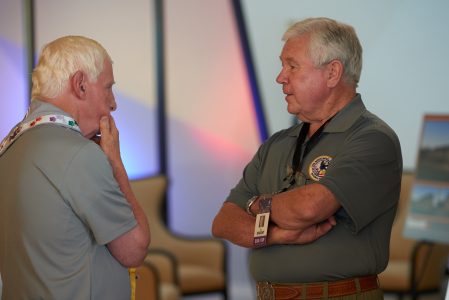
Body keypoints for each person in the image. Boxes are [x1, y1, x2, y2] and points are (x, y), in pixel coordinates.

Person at [212, 17, 402, 299]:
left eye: (292, 65)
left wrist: (253, 204)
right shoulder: (276, 144)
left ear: (332, 73)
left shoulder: (372, 138)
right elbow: (224, 222)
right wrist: (275, 234)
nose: (280, 77)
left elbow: (310, 208)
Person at [0, 36, 150, 299]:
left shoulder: (9, 147)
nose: (113, 103)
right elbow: (134, 249)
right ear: (80, 85)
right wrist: (115, 162)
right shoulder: (80, 155)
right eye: (107, 88)